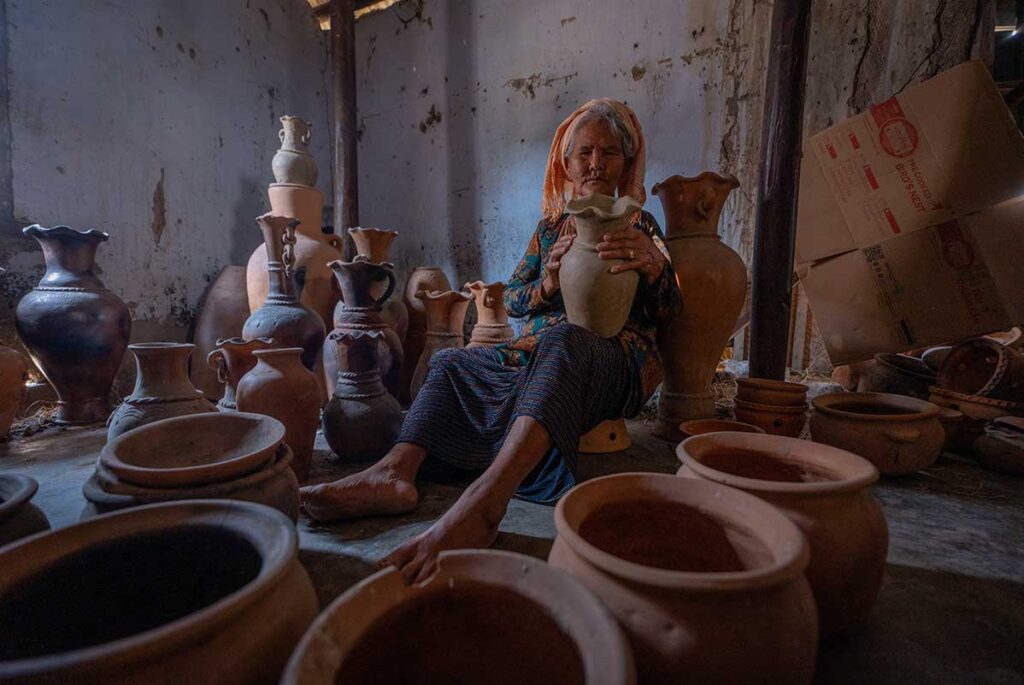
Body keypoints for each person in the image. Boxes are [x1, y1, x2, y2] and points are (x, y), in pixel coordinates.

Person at [301, 98, 681, 583]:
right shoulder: (549, 230)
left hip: (615, 362)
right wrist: (547, 281)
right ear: (565, 164)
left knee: (565, 341)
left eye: (609, 153)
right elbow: (516, 301)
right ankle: (393, 473)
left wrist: (653, 265)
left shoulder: (642, 227)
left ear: (626, 162)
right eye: (584, 152)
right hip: (543, 357)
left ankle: (485, 502)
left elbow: (673, 312)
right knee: (452, 365)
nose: (595, 163)